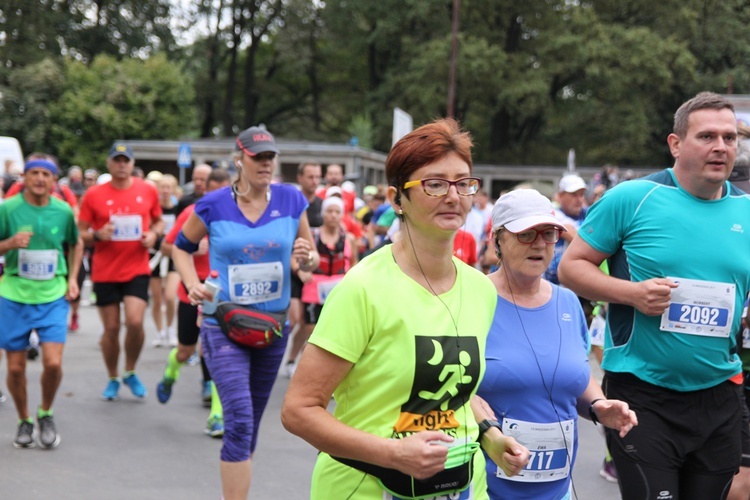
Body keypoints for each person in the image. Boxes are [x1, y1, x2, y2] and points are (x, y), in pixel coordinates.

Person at [282, 118, 510, 499]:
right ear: (395, 199)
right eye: (434, 184)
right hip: (364, 487)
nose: (453, 196)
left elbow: (453, 389)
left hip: (462, 487)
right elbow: (298, 410)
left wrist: (490, 436)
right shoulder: (362, 289)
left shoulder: (480, 290)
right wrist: (394, 453)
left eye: (463, 182)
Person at [558, 91, 750, 499]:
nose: (721, 146)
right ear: (676, 144)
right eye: (707, 136)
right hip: (642, 393)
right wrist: (632, 294)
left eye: (730, 138)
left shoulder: (746, 212)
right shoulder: (632, 198)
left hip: (719, 392)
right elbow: (571, 268)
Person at [172, 126, 318, 499]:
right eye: (258, 157)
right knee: (237, 418)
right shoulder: (213, 203)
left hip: (272, 328)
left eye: (270, 157)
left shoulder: (290, 199)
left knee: (248, 427)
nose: (266, 164)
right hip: (223, 323)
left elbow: (309, 256)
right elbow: (180, 247)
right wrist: (192, 284)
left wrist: (307, 259)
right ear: (240, 160)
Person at [474, 188, 636, 499]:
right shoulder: (472, 298)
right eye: (525, 234)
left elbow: (573, 376)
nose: (538, 244)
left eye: (548, 234)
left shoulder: (568, 302)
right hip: (484, 487)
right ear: (498, 239)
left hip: (557, 490)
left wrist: (599, 405)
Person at [0, 155, 82, 448]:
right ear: (24, 177)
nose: (39, 179)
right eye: (33, 173)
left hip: (51, 294)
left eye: (45, 174)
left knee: (53, 363)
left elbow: (76, 242)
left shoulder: (62, 211)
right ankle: (24, 420)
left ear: (54, 180)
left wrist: (72, 278)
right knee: (15, 369)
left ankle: (45, 411)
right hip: (13, 294)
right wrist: (9, 244)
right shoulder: (7, 209)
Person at [78, 143, 164, 401]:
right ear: (109, 163)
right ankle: (113, 376)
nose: (122, 165)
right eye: (117, 160)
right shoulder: (94, 194)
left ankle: (131, 370)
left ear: (132, 163)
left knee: (136, 322)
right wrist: (96, 234)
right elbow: (80, 232)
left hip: (136, 267)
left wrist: (154, 234)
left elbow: (158, 220)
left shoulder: (147, 190)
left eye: (126, 160)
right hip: (105, 270)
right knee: (112, 329)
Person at [156, 168, 231, 436]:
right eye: (218, 191)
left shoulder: (239, 216)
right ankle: (171, 372)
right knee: (186, 351)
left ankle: (216, 416)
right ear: (208, 190)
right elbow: (167, 246)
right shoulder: (194, 213)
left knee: (218, 352)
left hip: (223, 293)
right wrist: (192, 247)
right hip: (193, 289)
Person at [286, 195, 357, 375]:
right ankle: (294, 359)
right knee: (310, 328)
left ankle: (316, 366)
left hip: (338, 289)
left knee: (333, 330)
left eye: (337, 212)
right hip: (314, 288)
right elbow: (294, 258)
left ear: (342, 215)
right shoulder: (313, 234)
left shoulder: (348, 239)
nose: (333, 215)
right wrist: (300, 270)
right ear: (323, 214)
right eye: (329, 211)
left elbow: (354, 263)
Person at [285, 161, 323, 377]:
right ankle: (280, 356)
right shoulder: (294, 205)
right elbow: (288, 245)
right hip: (294, 269)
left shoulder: (322, 205)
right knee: (295, 318)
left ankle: (292, 359)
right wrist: (298, 270)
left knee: (308, 323)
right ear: (300, 178)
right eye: (310, 177)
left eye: (318, 176)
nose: (314, 181)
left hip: (315, 272)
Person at [149, 173, 180, 347]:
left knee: (170, 296)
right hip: (155, 254)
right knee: (157, 298)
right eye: (162, 187)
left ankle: (171, 329)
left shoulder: (177, 209)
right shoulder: (154, 209)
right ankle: (159, 332)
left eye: (169, 187)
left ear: (174, 190)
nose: (165, 191)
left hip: (172, 255)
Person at [545, 174, 588, 287]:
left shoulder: (588, 213)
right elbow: (579, 240)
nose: (579, 200)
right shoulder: (554, 214)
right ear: (560, 196)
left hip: (580, 285)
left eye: (581, 195)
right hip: (554, 284)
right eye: (574, 195)